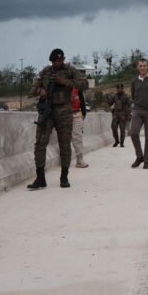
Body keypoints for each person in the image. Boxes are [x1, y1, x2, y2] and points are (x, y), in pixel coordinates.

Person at [26, 48, 87, 190]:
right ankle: (40, 178)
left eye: (60, 60)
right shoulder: (46, 71)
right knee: (40, 144)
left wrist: (65, 82)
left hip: (64, 111)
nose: (57, 63)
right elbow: (32, 90)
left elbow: (85, 84)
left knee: (64, 144)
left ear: (64, 59)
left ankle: (64, 176)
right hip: (47, 111)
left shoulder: (70, 70)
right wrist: (40, 90)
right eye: (55, 61)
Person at [71, 84, 89, 168]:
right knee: (64, 138)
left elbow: (82, 100)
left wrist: (84, 113)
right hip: (64, 115)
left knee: (77, 137)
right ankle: (65, 160)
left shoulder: (77, 86)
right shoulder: (60, 84)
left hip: (77, 114)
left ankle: (79, 160)